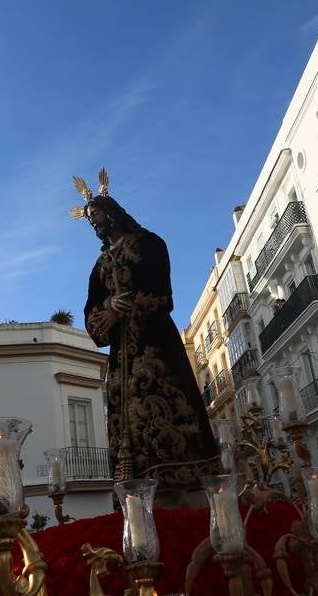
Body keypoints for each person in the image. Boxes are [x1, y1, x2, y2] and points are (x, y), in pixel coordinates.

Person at [73, 173, 220, 495]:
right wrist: (104, 310)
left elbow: (162, 294)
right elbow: (90, 310)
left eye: (96, 214)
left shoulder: (149, 243)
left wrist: (122, 308)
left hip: (156, 345)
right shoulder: (99, 266)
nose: (93, 222)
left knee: (168, 408)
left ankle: (186, 488)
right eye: (89, 219)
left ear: (111, 211)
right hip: (122, 359)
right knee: (128, 424)